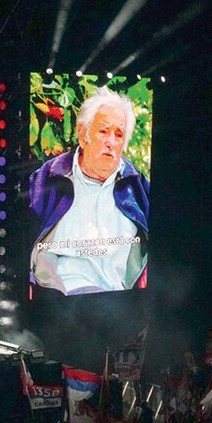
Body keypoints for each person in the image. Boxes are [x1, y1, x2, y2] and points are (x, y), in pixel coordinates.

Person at [27, 88, 149, 295]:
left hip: (121, 300)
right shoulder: (47, 178)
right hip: (61, 301)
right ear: (83, 135)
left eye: (118, 134)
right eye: (103, 131)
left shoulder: (138, 186)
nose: (111, 142)